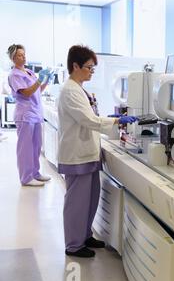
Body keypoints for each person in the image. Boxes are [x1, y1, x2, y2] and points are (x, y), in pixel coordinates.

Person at [58, 45, 138, 258]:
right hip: (77, 155)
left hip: (88, 153)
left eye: (93, 68)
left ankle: (84, 235)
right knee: (77, 202)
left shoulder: (80, 88)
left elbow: (91, 115)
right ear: (75, 66)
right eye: (89, 67)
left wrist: (112, 119)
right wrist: (117, 119)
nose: (92, 71)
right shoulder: (70, 90)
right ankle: (73, 245)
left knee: (90, 199)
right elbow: (89, 120)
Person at [7, 44, 54, 186]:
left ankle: (35, 173)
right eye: (20, 55)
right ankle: (26, 178)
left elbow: (37, 90)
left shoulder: (28, 72)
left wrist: (46, 80)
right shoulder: (14, 74)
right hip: (25, 115)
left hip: (35, 114)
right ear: (13, 58)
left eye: (24, 54)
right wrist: (39, 80)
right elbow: (26, 92)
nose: (24, 57)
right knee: (25, 148)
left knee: (36, 146)